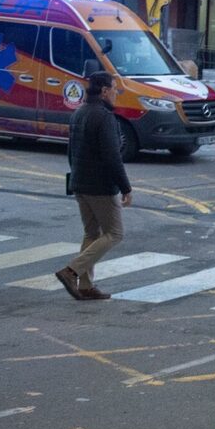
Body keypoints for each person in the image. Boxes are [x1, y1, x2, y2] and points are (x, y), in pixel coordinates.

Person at [55, 71, 133, 301]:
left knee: (92, 233)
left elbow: (71, 151)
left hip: (80, 182)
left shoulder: (79, 112)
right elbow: (112, 157)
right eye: (115, 88)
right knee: (115, 233)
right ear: (104, 91)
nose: (117, 93)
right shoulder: (104, 117)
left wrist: (76, 176)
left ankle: (86, 285)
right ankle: (71, 271)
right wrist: (126, 187)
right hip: (100, 186)